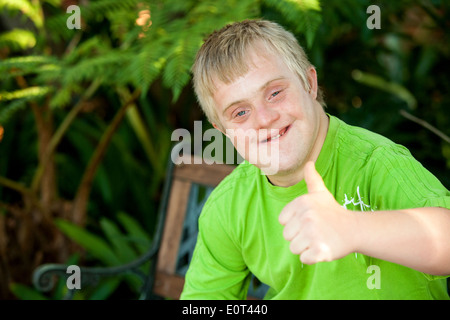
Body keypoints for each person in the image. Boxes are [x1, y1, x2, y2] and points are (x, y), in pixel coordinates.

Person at [180, 19, 450, 299]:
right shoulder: (229, 206)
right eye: (240, 113)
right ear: (224, 131)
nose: (264, 118)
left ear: (309, 83)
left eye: (274, 93)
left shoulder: (376, 164)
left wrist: (353, 229)